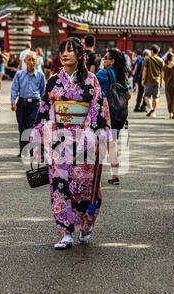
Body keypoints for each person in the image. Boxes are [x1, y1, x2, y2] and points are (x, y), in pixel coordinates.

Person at [30, 37, 110, 250]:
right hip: (60, 141)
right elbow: (45, 109)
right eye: (62, 51)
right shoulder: (53, 81)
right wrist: (38, 138)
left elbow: (99, 109)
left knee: (86, 185)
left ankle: (86, 224)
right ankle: (65, 232)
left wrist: (99, 137)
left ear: (80, 54)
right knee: (60, 185)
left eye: (70, 51)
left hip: (85, 140)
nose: (65, 54)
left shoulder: (91, 80)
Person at [95, 48, 131, 185]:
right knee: (111, 143)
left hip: (105, 113)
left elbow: (89, 81)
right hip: (118, 115)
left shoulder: (103, 73)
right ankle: (114, 175)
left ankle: (95, 174)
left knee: (101, 143)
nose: (103, 60)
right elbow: (128, 95)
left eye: (106, 58)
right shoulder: (120, 74)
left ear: (112, 61)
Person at [10, 52, 46, 156]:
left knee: (31, 127)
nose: (31, 62)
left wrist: (44, 106)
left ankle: (30, 150)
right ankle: (23, 150)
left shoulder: (40, 75)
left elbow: (43, 91)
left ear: (37, 61)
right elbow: (14, 89)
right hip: (22, 103)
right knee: (22, 127)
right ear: (25, 61)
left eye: (33, 60)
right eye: (29, 60)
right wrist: (13, 102)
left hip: (35, 105)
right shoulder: (19, 74)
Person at [142, 45, 165, 118]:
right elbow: (162, 72)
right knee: (156, 97)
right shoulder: (161, 60)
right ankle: (154, 112)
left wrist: (143, 79)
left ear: (152, 51)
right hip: (157, 80)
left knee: (146, 96)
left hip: (149, 80)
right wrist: (162, 81)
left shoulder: (147, 59)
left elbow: (145, 70)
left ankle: (151, 108)